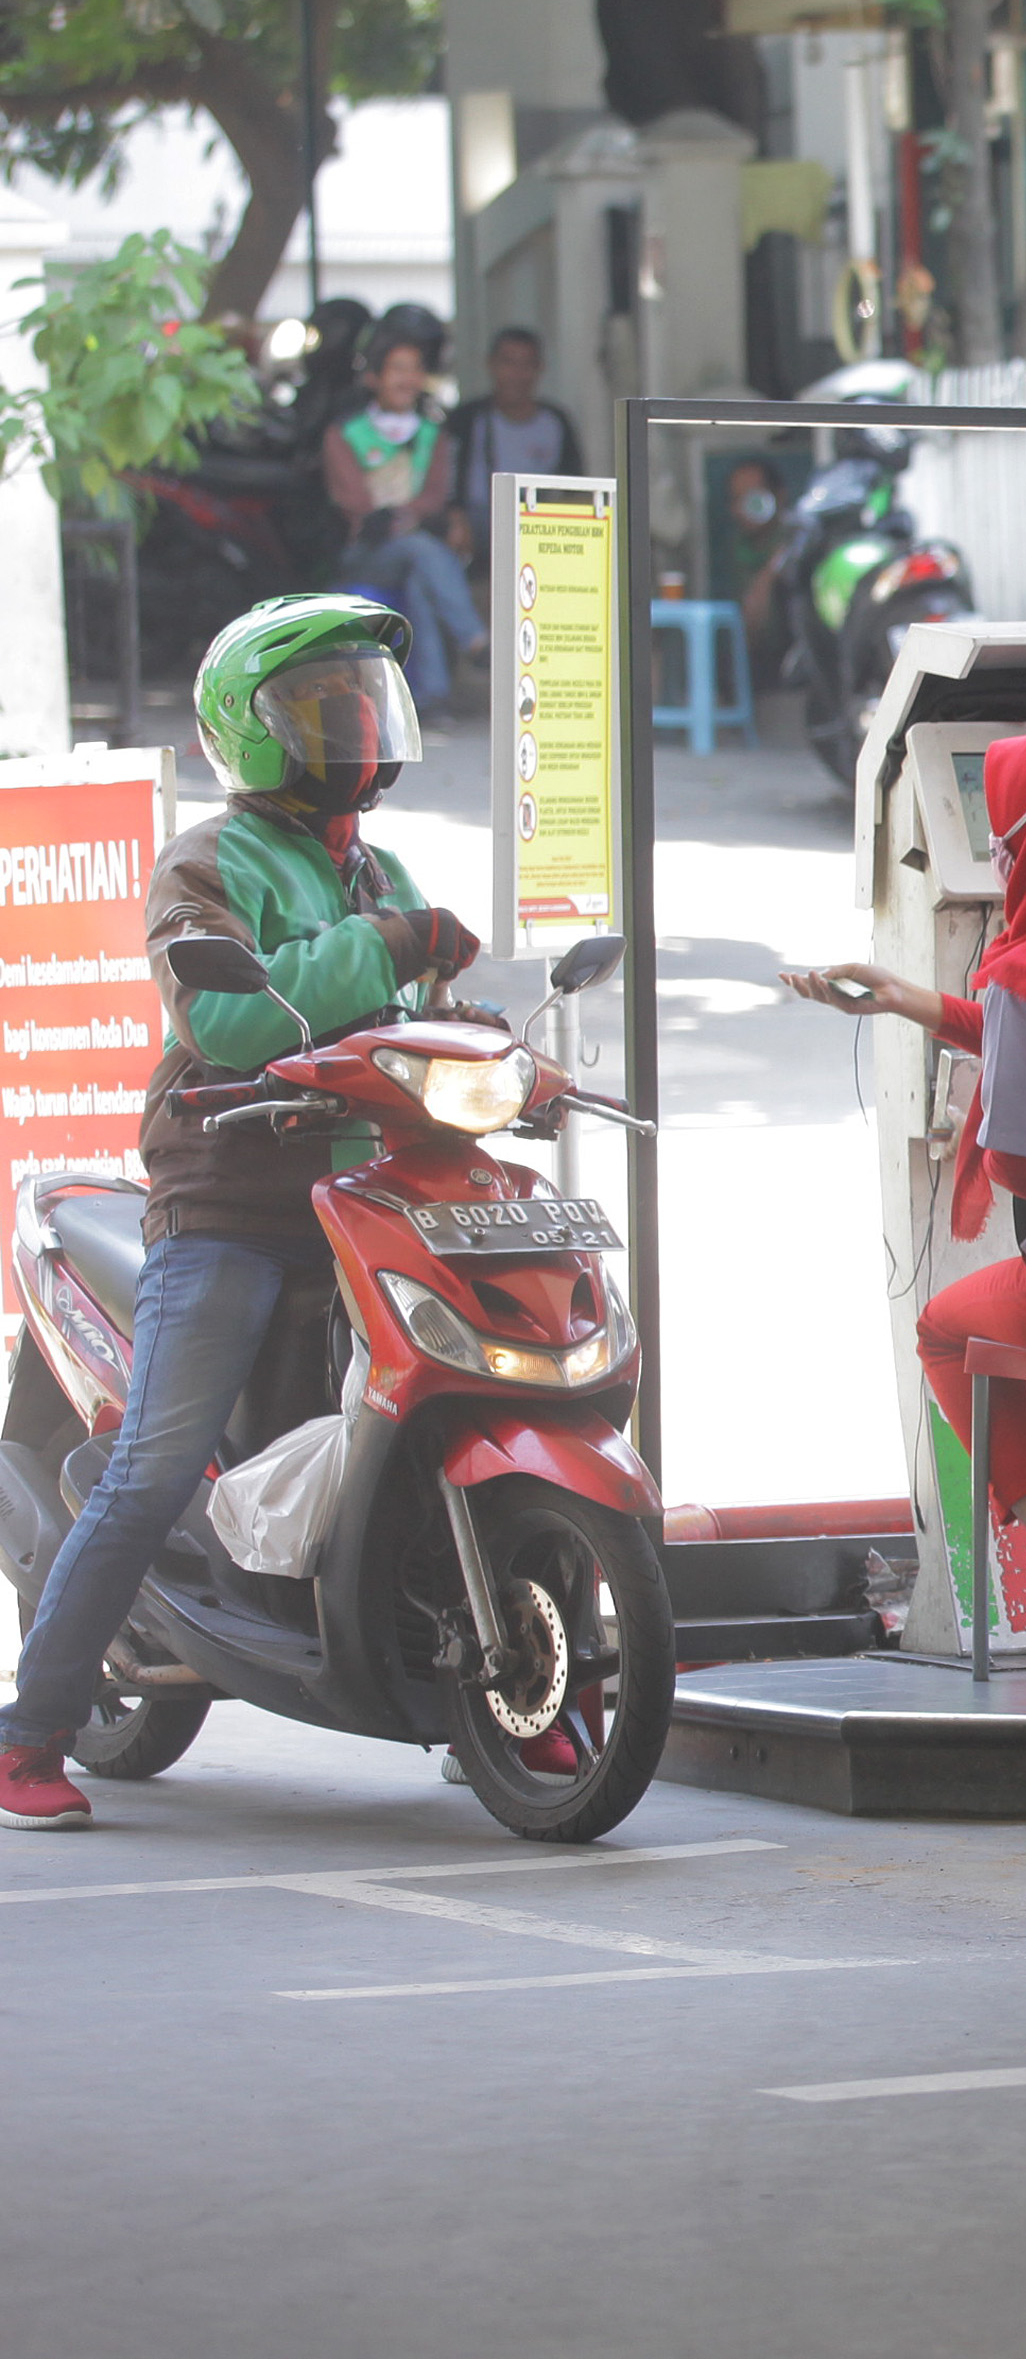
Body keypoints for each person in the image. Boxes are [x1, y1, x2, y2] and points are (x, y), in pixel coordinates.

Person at [1, 600, 495, 1832]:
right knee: (154, 1466)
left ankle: (471, 1679)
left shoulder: (379, 867)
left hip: (370, 1199)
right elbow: (230, 1020)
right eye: (327, 707)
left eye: (364, 700)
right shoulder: (208, 864)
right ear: (254, 732)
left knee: (445, 1409)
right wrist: (381, 944)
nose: (357, 725)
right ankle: (30, 1728)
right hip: (229, 1202)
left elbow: (424, 1010)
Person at [784, 729, 1026, 1682]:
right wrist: (913, 1001)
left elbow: (1016, 1167)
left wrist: (995, 1093)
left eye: (1003, 826)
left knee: (945, 1333)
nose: (996, 848)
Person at [323, 336, 484, 707]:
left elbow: (435, 495)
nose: (407, 379)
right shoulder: (345, 434)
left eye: (415, 370)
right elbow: (354, 502)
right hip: (366, 553)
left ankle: (429, 697)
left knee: (419, 570)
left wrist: (401, 516)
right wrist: (410, 518)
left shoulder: (433, 435)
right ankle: (473, 639)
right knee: (421, 548)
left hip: (414, 553)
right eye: (397, 369)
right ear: (374, 378)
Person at [444, 328, 585, 560]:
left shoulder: (556, 420)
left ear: (540, 368)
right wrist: (456, 517)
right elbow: (448, 479)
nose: (516, 374)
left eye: (526, 364)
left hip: (540, 519)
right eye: (508, 363)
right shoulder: (468, 418)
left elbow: (575, 486)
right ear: (491, 365)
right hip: (479, 519)